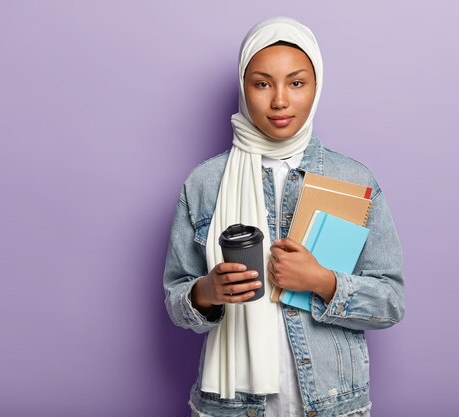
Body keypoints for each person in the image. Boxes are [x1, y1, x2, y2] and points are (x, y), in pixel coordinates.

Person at [163, 16, 405, 417]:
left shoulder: (353, 179)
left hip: (331, 404)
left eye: (296, 83)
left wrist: (323, 282)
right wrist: (207, 292)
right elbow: (177, 300)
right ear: (244, 87)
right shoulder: (205, 183)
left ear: (316, 86)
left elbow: (390, 303)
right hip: (233, 406)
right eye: (262, 83)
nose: (279, 100)